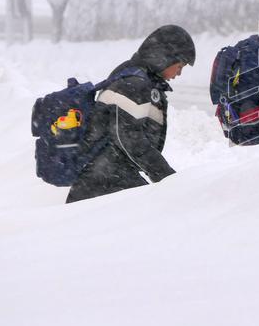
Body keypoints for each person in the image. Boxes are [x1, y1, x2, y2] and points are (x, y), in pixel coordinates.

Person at [66, 24, 196, 203]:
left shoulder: (135, 78)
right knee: (165, 209)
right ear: (164, 57)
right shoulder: (134, 84)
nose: (179, 73)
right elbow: (129, 137)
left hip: (107, 176)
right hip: (105, 179)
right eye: (179, 66)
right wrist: (167, 178)